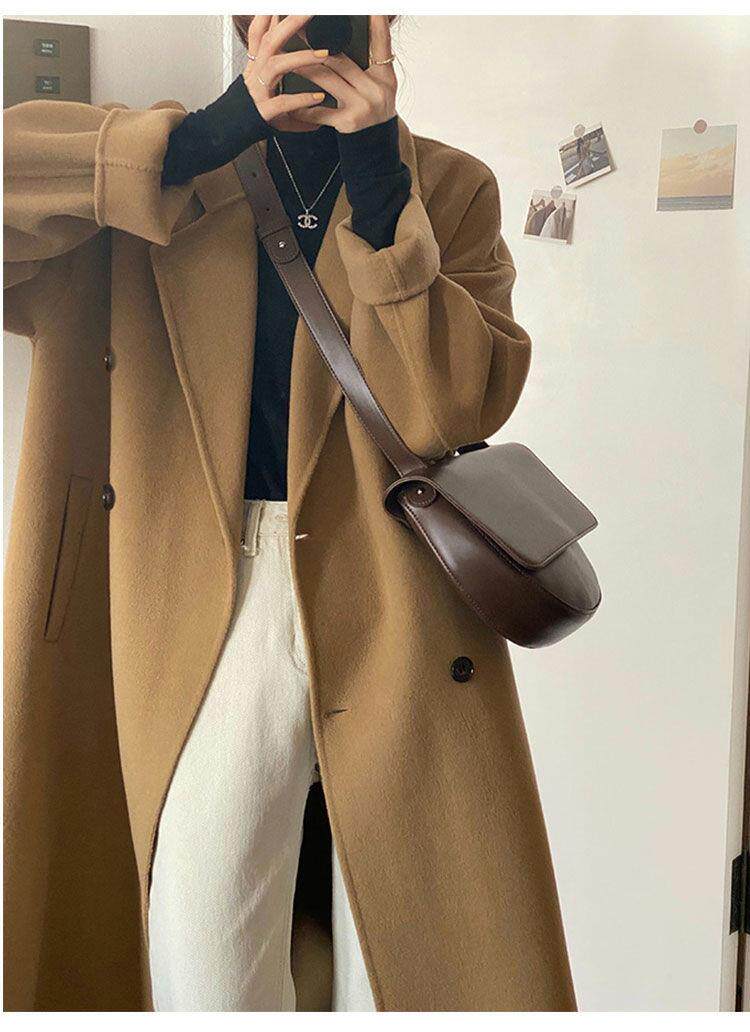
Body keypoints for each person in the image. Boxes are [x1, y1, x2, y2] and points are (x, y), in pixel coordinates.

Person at [4, 14, 576, 1013]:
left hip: (392, 581)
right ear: (247, 20)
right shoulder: (159, 168)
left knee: (423, 952)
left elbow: (453, 408)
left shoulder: (446, 186)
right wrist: (206, 133)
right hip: (191, 582)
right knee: (205, 942)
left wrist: (380, 185)